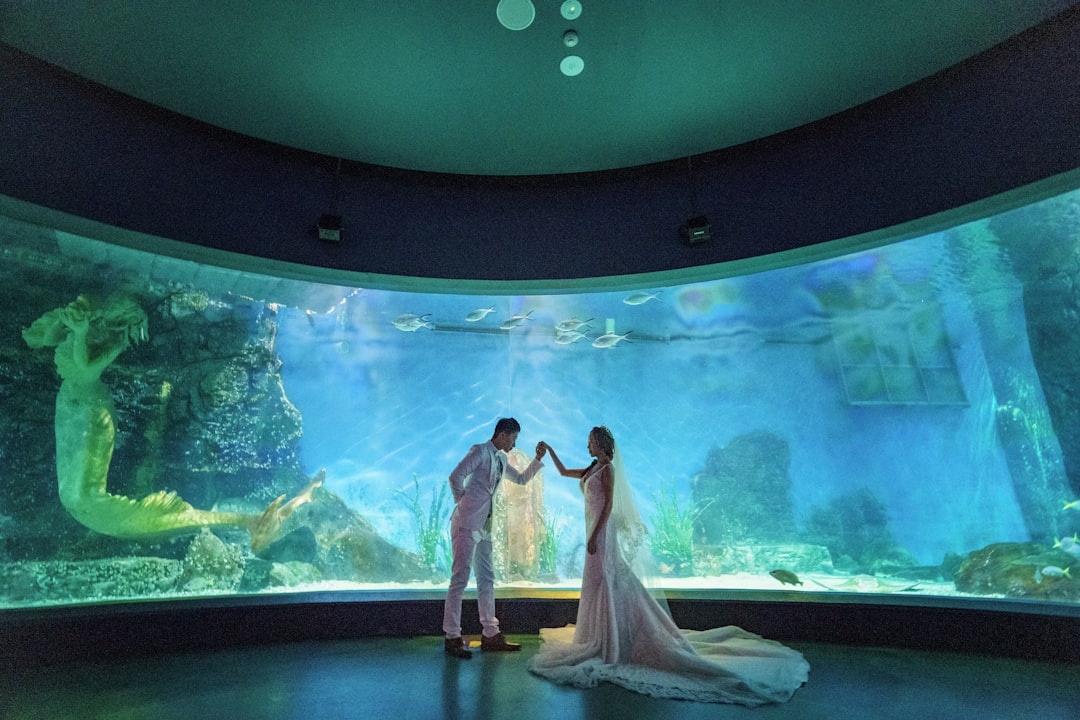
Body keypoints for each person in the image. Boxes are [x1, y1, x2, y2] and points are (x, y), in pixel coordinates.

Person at [528, 427, 809, 705]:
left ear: (600, 444)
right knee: (597, 581)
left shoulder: (608, 470)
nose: (587, 446)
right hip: (593, 528)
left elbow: (609, 504)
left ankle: (614, 638)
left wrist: (594, 535)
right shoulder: (592, 468)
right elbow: (564, 472)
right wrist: (548, 451)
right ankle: (599, 634)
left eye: (590, 442)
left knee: (608, 578)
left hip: (601, 532)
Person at [443, 417, 546, 659]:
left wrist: (537, 459)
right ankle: (452, 636)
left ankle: (490, 633)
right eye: (513, 438)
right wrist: (463, 503)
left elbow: (520, 479)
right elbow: (455, 476)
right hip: (467, 524)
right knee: (460, 578)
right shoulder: (480, 452)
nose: (514, 443)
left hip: (485, 527)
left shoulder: (500, 458)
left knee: (486, 578)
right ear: (502, 434)